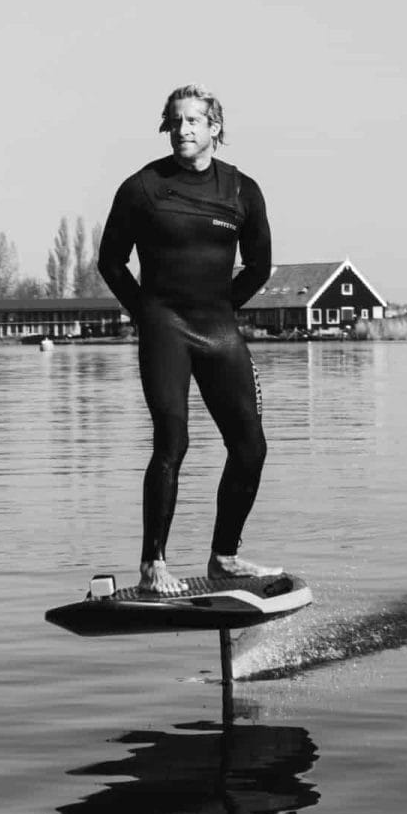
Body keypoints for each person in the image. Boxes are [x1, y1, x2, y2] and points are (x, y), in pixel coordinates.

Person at [96, 83, 278, 596]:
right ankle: (154, 564)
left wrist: (223, 309)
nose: (183, 130)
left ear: (214, 128)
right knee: (173, 440)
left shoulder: (242, 190)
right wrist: (147, 314)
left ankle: (225, 557)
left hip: (218, 327)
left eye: (193, 121)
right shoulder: (143, 187)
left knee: (251, 446)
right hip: (164, 327)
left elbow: (261, 264)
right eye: (175, 122)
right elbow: (110, 261)